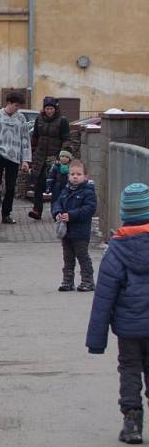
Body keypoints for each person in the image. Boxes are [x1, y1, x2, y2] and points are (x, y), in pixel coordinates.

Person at [87, 183, 149, 444]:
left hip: (129, 328)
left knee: (130, 369)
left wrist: (96, 340)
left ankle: (132, 422)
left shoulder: (117, 250)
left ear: (125, 214)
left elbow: (104, 297)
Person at [0, 92, 32, 225]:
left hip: (14, 156)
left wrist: (25, 160)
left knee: (10, 187)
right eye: (16, 105)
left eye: (19, 106)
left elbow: (25, 139)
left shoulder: (21, 119)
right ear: (9, 103)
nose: (17, 108)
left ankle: (6, 214)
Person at [51, 159, 96, 292]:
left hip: (80, 232)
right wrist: (58, 213)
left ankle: (87, 281)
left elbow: (89, 209)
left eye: (78, 174)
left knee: (82, 256)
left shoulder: (88, 192)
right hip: (66, 231)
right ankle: (67, 281)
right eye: (72, 174)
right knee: (68, 257)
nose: (75, 177)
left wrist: (71, 215)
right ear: (68, 176)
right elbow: (57, 203)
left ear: (85, 176)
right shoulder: (66, 190)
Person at [28, 97, 71, 220]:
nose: (49, 111)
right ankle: (37, 210)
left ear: (55, 109)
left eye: (51, 108)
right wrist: (32, 152)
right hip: (40, 157)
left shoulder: (62, 121)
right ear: (44, 109)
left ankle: (56, 212)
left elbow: (66, 139)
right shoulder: (39, 119)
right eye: (47, 108)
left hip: (55, 158)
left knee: (56, 186)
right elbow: (35, 137)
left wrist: (62, 156)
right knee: (38, 185)